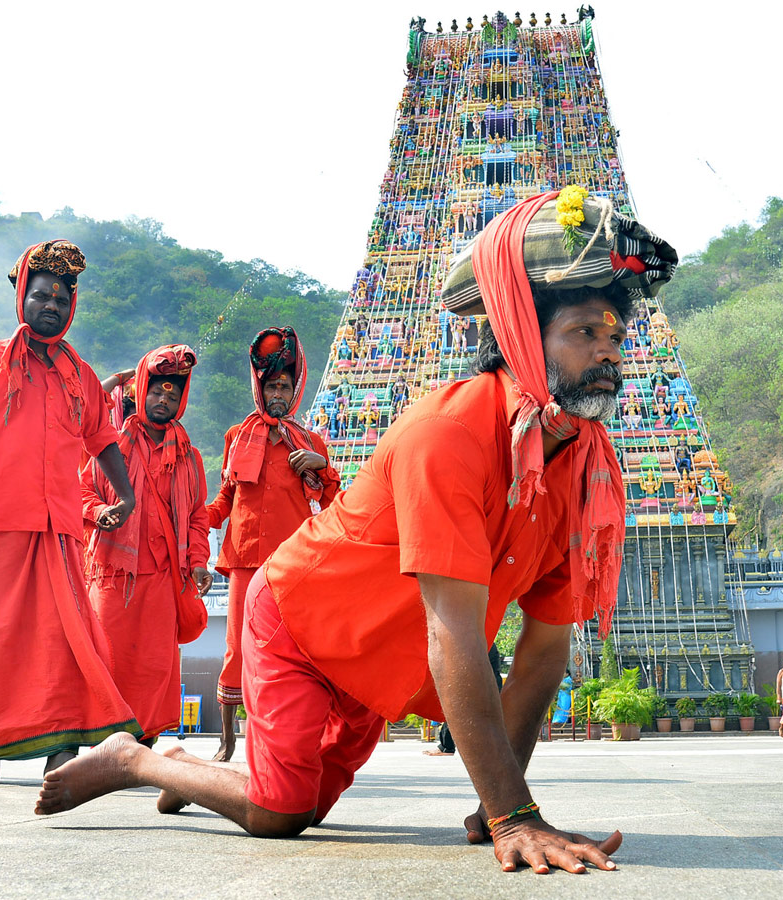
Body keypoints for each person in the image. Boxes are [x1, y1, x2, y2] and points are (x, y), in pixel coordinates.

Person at [35, 188, 676, 876]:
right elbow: (453, 633)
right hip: (299, 627)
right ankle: (135, 759)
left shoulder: (583, 467)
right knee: (279, 815)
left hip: (377, 671)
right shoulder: (449, 433)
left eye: (615, 337)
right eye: (585, 334)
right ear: (522, 334)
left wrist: (500, 803)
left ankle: (181, 769)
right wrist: (512, 816)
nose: (609, 355)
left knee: (304, 808)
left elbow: (542, 654)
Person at [0, 240, 141, 785]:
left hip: (60, 528)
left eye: (62, 297)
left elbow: (105, 441)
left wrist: (127, 494)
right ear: (23, 296)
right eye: (42, 294)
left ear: (72, 306)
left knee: (60, 644)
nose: (51, 304)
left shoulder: (81, 374)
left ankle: (63, 745)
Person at [206, 328, 340, 761]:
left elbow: (334, 503)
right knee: (236, 649)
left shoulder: (311, 443)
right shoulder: (236, 436)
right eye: (271, 386)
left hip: (293, 564)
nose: (277, 393)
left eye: (284, 386)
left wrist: (324, 467)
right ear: (259, 389)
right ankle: (227, 745)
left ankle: (287, 743)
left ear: (295, 389)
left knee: (292, 647)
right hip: (244, 559)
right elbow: (224, 501)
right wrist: (190, 525)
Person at [82, 345, 212, 741]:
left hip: (163, 574)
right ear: (142, 392)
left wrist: (200, 560)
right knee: (108, 657)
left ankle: (145, 741)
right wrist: (99, 512)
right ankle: (106, 740)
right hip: (113, 574)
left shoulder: (189, 456)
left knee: (155, 664)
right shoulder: (110, 443)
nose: (163, 400)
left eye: (173, 394)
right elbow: (81, 489)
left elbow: (196, 515)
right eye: (157, 391)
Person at [424, 644, 503, 757]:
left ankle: (447, 746)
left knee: (457, 706)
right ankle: (494, 746)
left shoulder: (470, 639)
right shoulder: (487, 640)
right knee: (489, 709)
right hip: (489, 682)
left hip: (474, 673)